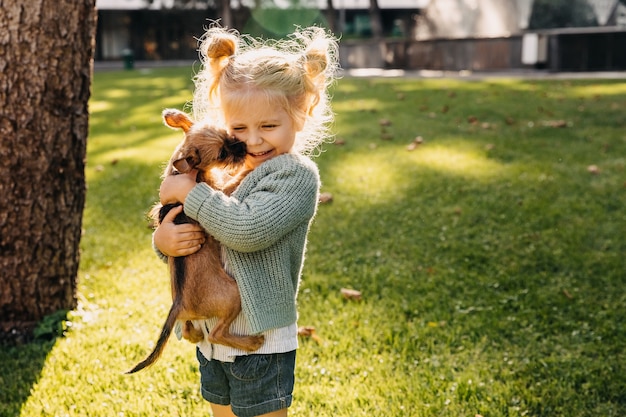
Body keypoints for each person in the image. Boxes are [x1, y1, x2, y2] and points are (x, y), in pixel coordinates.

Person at [152, 25, 338, 417]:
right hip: (211, 333)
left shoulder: (294, 176)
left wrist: (188, 192)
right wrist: (165, 240)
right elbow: (198, 241)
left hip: (260, 336)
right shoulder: (224, 172)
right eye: (239, 128)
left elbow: (246, 230)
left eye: (269, 126)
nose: (252, 141)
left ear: (301, 115)